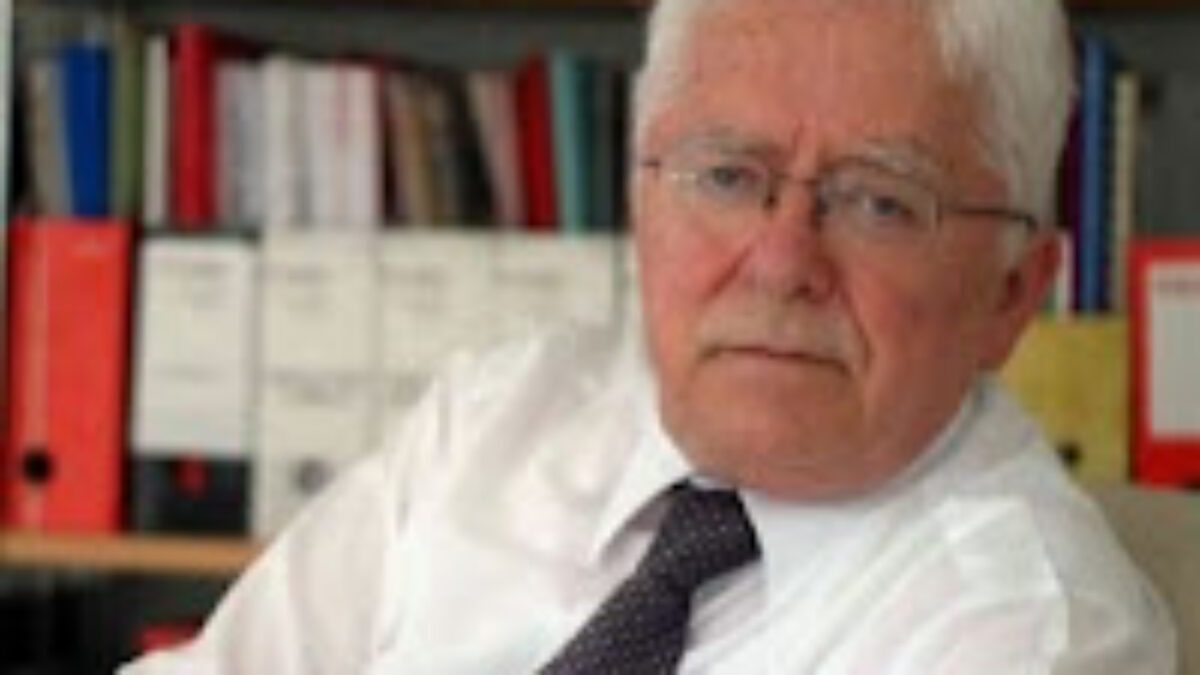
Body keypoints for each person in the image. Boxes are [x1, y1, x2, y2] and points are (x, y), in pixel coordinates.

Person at [123, 0, 1177, 672]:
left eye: (880, 201)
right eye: (726, 176)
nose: (780, 260)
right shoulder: (501, 414)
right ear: (639, 202)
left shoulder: (1033, 636)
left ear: (1012, 294)